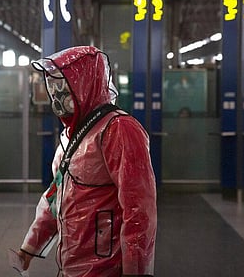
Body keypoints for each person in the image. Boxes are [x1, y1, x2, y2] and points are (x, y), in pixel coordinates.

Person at [16, 46, 157, 276]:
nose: (56, 92)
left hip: (107, 268)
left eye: (63, 83)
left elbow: (139, 210)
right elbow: (56, 195)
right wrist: (31, 245)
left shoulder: (119, 129)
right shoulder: (71, 134)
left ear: (85, 83)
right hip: (71, 265)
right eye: (53, 84)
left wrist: (136, 271)